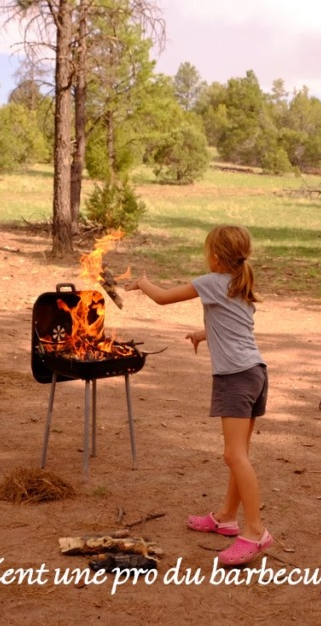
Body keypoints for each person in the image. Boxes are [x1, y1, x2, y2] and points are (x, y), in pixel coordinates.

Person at [124, 225, 273, 566]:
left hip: (235, 377)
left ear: (216, 257)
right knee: (241, 454)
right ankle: (226, 518)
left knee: (234, 456)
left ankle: (256, 532)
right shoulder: (241, 285)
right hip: (255, 373)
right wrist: (202, 334)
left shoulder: (211, 281)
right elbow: (234, 327)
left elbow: (162, 297)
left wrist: (141, 283)